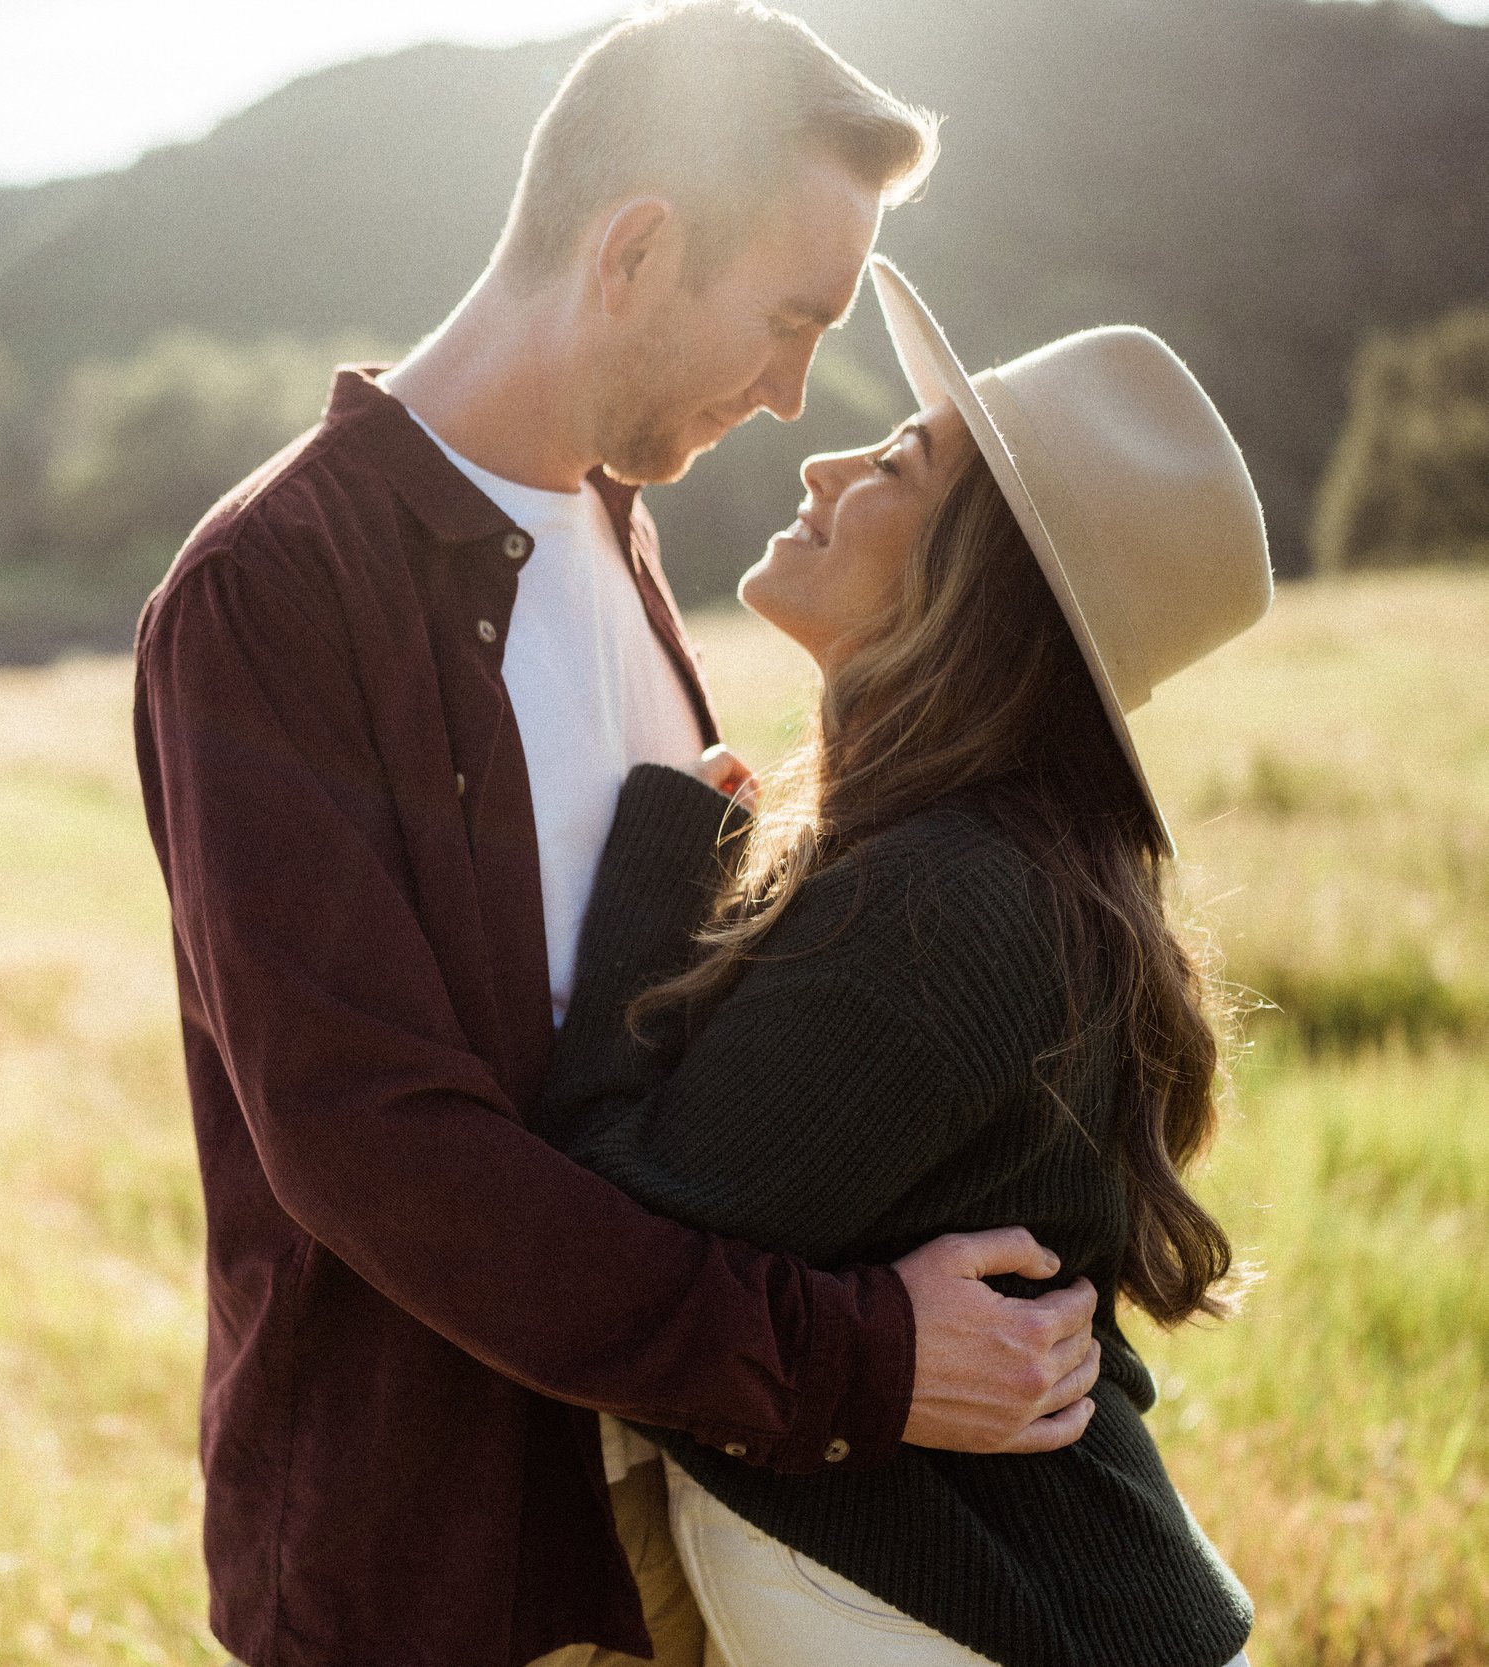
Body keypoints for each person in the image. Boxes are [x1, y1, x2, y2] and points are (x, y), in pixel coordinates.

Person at [133, 6, 1105, 1665]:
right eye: (789, 322)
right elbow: (379, 1145)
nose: (799, 396)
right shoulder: (271, 592)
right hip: (442, 1571)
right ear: (638, 249)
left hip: (684, 1521)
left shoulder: (616, 534)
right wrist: (857, 1360)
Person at [538, 256, 1269, 1667]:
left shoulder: (949, 904)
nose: (821, 461)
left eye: (895, 461)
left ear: (972, 580)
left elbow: (611, 1229)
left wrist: (661, 849)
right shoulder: (978, 864)